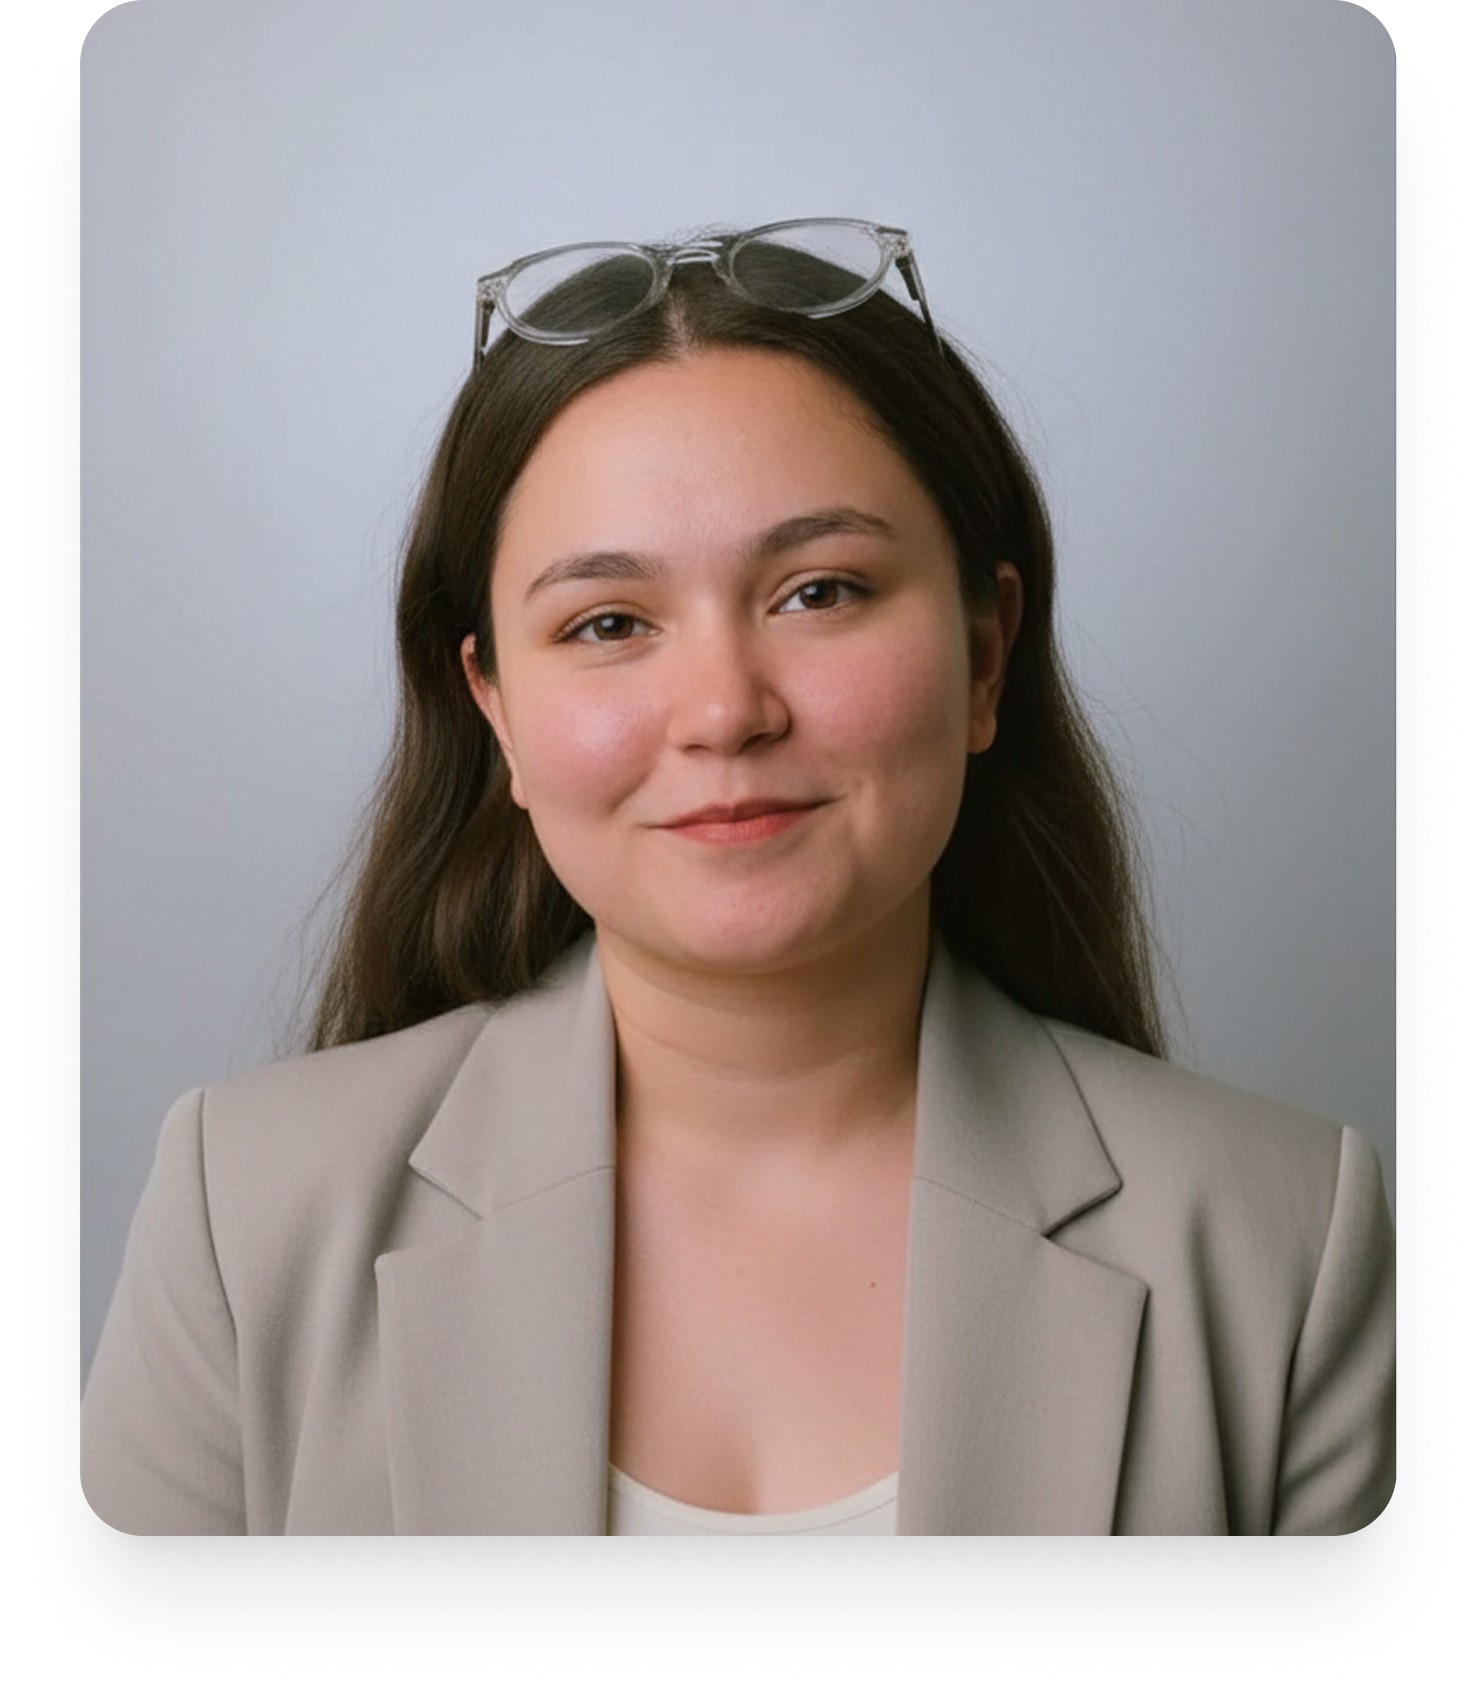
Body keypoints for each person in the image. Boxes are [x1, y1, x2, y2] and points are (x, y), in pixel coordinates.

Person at [81, 218, 1394, 1535]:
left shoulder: (1286, 1240)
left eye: (819, 592)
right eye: (607, 624)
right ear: (493, 711)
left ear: (983, 655)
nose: (722, 711)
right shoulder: (245, 1215)